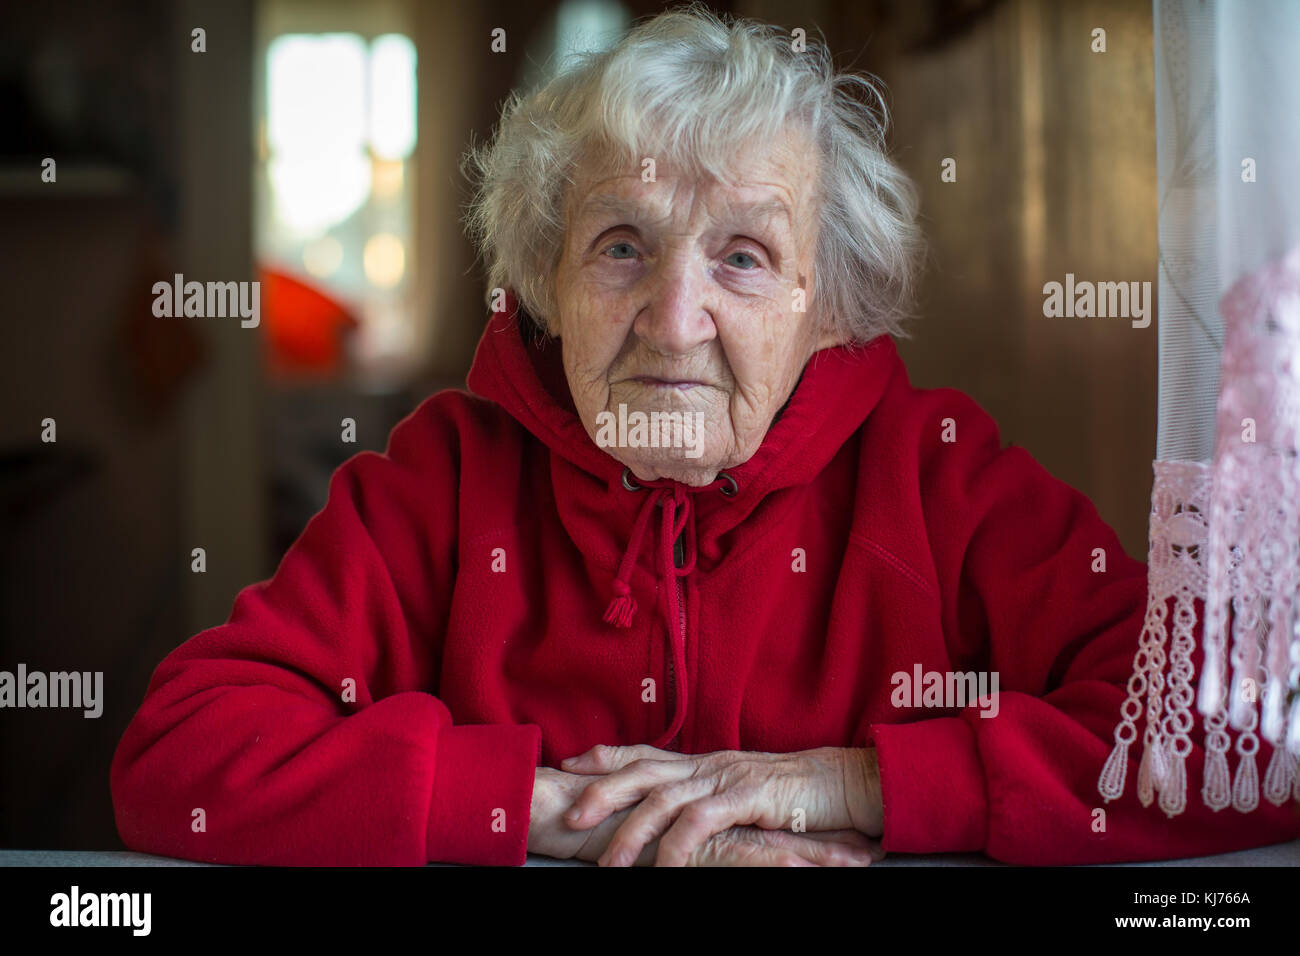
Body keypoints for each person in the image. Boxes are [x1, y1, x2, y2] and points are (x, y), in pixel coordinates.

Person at [111, 5, 1300, 866]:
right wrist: (553, 812)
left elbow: (1240, 744)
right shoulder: (438, 479)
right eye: (620, 244)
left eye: (742, 254)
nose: (674, 320)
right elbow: (179, 756)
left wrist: (843, 784)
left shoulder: (939, 475)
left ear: (826, 301)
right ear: (544, 277)